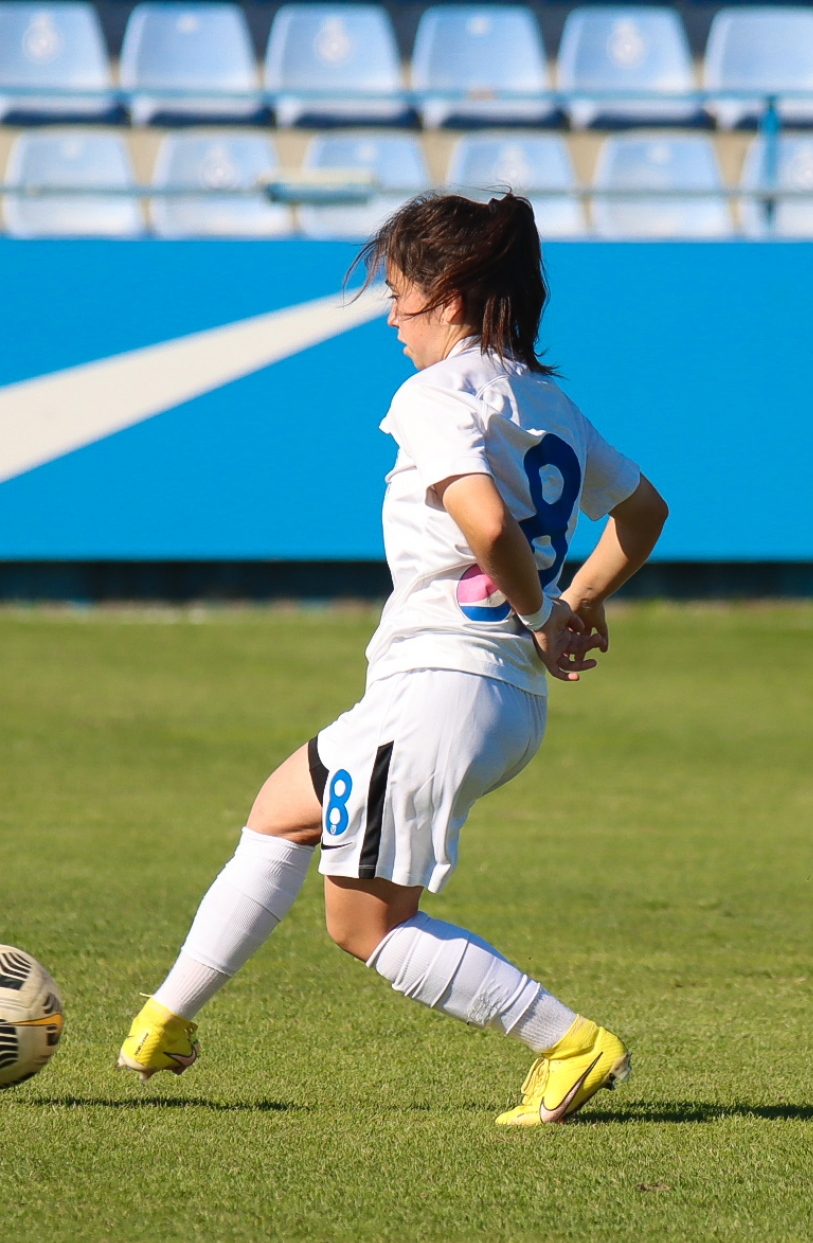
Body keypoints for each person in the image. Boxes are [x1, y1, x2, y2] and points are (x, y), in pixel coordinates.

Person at [116, 192, 671, 1125]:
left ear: (447, 297)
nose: (390, 318)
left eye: (398, 296)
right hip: (491, 693)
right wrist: (576, 599)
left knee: (365, 925)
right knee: (281, 809)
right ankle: (166, 1018)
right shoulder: (548, 403)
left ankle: (568, 1042)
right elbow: (644, 512)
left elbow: (483, 522)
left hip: (442, 686)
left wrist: (546, 609)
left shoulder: (435, 394)